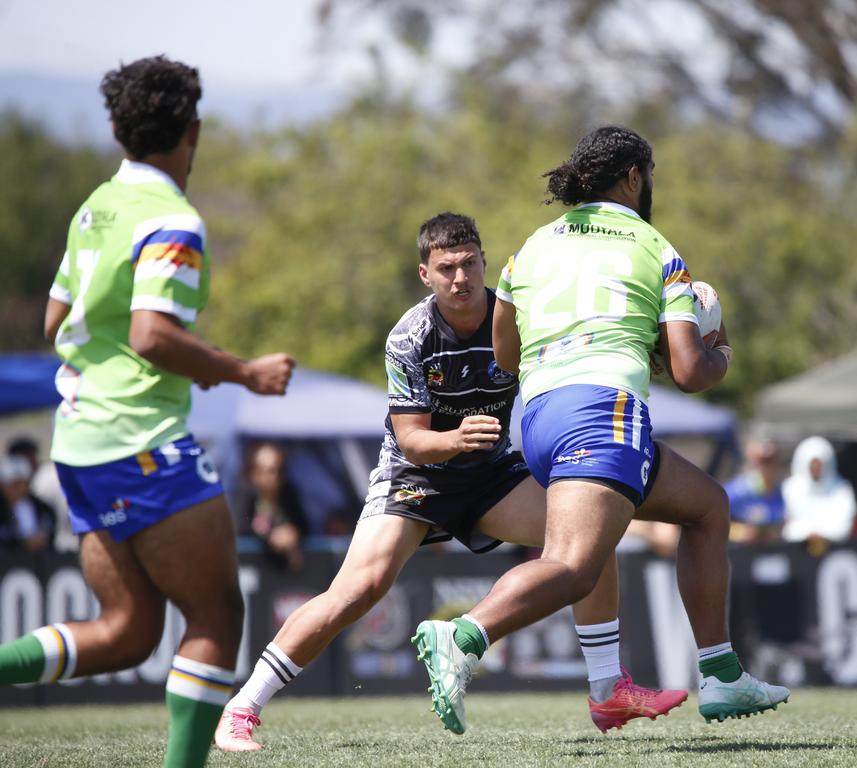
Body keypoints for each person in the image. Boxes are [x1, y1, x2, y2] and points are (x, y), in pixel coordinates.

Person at [214, 213, 686, 752]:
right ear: (425, 274)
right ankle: (242, 707)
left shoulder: (519, 315)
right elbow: (412, 440)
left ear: (486, 262)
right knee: (358, 590)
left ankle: (607, 689)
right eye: (446, 269)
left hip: (488, 474)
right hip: (415, 477)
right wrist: (458, 437)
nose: (459, 279)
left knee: (588, 538)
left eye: (469, 264)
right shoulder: (409, 337)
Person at [412, 126, 789, 735]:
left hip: (536, 418)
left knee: (707, 505)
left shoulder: (529, 249)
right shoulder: (653, 244)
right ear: (634, 177)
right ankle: (463, 634)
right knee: (574, 565)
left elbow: (504, 356)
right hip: (603, 408)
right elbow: (691, 373)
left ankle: (720, 672)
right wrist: (719, 352)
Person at [0, 56, 294, 768]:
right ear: (193, 130)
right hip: (141, 439)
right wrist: (243, 371)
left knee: (130, 630)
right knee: (218, 615)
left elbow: (54, 320)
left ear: (114, 128)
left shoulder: (96, 206)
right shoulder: (172, 220)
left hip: (78, 440)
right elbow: (151, 335)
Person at [237, 442, 308, 571]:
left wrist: (293, 533)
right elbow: (240, 530)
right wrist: (270, 537)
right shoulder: (245, 495)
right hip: (252, 570)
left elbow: (304, 526)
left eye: (280, 470)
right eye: (270, 471)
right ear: (255, 473)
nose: (275, 477)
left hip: (285, 574)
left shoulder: (289, 493)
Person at [781, 436, 857, 545]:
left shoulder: (841, 489)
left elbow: (844, 526)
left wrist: (821, 534)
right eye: (813, 465)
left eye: (819, 465)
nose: (816, 469)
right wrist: (806, 533)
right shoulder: (790, 489)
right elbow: (785, 526)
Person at [724, 438, 785, 543]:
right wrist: (740, 532)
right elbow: (714, 521)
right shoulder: (735, 491)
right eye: (762, 460)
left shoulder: (783, 492)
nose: (766, 466)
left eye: (771, 460)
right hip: (738, 554)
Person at [0, 454, 56, 551]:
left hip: (39, 561)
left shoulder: (41, 507)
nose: (19, 489)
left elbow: (50, 527)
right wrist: (21, 542)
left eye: (22, 483)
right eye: (14, 485)